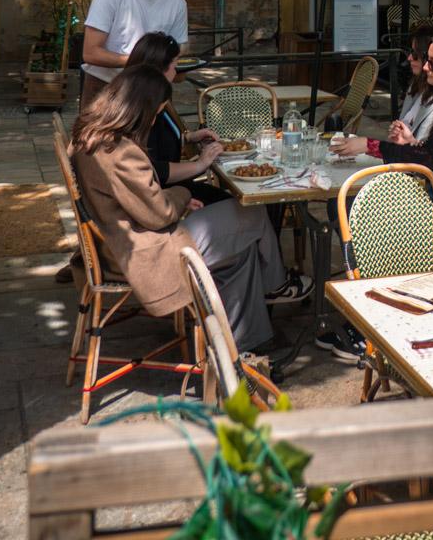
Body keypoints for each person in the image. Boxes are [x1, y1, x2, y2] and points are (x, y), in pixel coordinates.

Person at [71, 65, 308, 365]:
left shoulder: (90, 136)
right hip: (148, 251)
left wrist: (179, 199)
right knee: (253, 212)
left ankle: (241, 348)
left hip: (124, 240)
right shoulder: (119, 152)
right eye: (156, 113)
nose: (155, 119)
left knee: (242, 251)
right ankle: (275, 284)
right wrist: (184, 196)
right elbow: (160, 213)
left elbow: (146, 201)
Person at [336, 30, 433, 245]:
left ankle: (377, 275)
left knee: (359, 219)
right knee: (353, 208)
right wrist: (412, 143)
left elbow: (428, 159)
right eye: (427, 60)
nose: (426, 67)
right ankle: (374, 274)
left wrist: (368, 144)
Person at [80, 0, 188, 116]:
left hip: (153, 89)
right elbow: (90, 53)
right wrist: (140, 60)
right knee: (99, 145)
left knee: (156, 145)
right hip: (105, 87)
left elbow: (179, 50)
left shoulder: (177, 3)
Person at [125, 32, 228, 205]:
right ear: (159, 68)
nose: (177, 70)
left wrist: (188, 137)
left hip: (170, 189)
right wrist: (200, 164)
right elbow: (154, 170)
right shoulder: (145, 107)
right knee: (240, 207)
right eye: (175, 64)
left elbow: (159, 140)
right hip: (164, 195)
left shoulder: (145, 96)